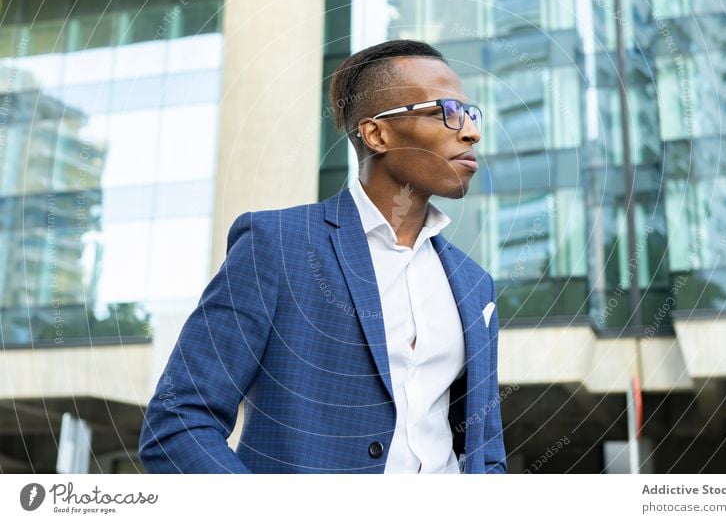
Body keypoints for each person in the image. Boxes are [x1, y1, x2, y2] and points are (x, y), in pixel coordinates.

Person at [138, 39, 506, 474]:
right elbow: (178, 420)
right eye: (444, 111)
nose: (469, 131)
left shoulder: (473, 281)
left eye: (470, 113)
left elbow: (484, 451)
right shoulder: (275, 246)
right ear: (377, 133)